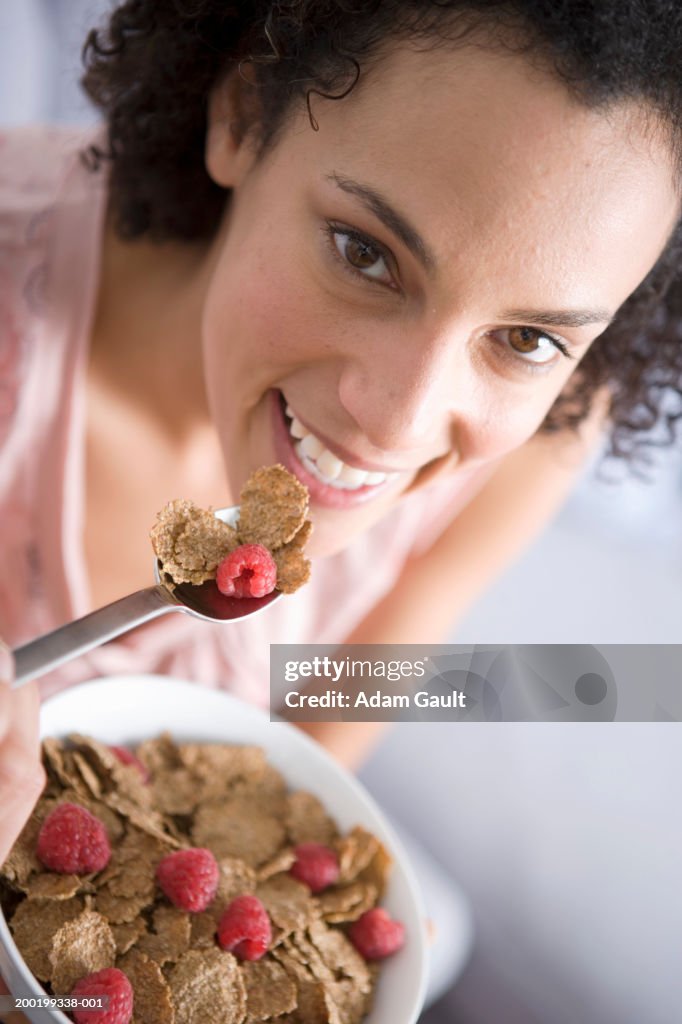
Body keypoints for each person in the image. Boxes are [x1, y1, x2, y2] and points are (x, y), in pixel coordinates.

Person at [0, 0, 681, 1010]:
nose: (399, 422)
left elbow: (346, 693)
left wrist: (283, 908)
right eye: (365, 253)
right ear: (239, 114)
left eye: (528, 338)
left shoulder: (545, 427)